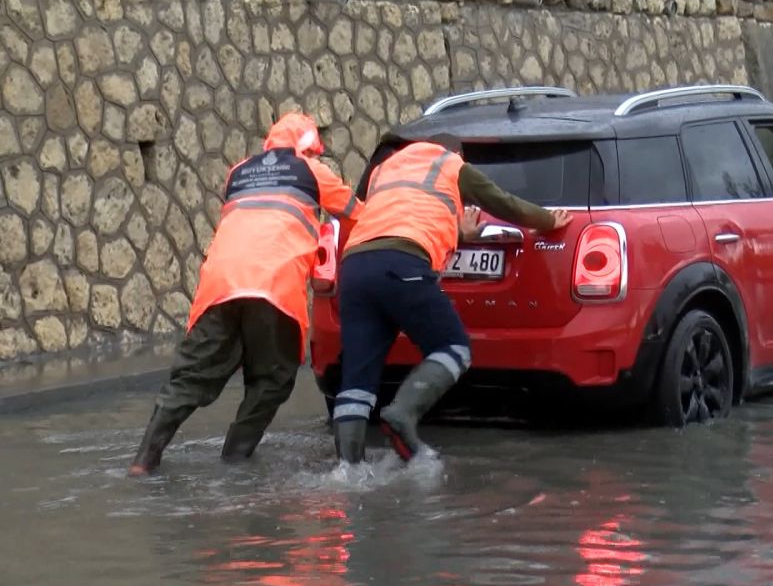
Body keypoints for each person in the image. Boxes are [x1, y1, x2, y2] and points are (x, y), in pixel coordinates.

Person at [128, 112, 363, 476]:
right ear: (308, 148)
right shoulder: (313, 173)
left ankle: (143, 461)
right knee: (272, 379)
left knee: (189, 379)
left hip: (219, 286)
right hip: (276, 287)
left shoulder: (239, 171)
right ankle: (235, 458)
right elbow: (358, 217)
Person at [331, 134, 572, 464]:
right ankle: (402, 414)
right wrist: (547, 220)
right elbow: (502, 202)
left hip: (355, 268)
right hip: (404, 263)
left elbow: (402, 213)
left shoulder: (383, 170)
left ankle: (348, 471)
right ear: (456, 152)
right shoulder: (450, 164)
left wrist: (460, 234)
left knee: (357, 378)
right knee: (452, 347)